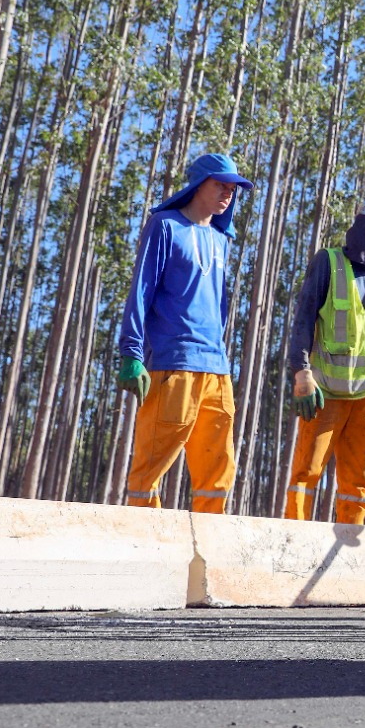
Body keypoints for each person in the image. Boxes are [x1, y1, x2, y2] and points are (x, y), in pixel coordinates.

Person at [116, 153, 253, 514]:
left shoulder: (221, 240)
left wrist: (221, 352)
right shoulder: (165, 226)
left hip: (216, 369)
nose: (228, 193)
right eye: (220, 184)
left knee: (218, 469)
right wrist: (131, 352)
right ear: (197, 185)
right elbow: (141, 290)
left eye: (233, 188)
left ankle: (206, 557)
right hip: (172, 363)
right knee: (151, 467)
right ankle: (142, 551)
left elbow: (220, 306)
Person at [281, 196, 365, 525]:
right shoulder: (328, 262)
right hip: (326, 394)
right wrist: (301, 373)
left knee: (357, 484)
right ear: (363, 226)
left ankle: (346, 556)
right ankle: (294, 546)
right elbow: (303, 320)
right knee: (305, 474)